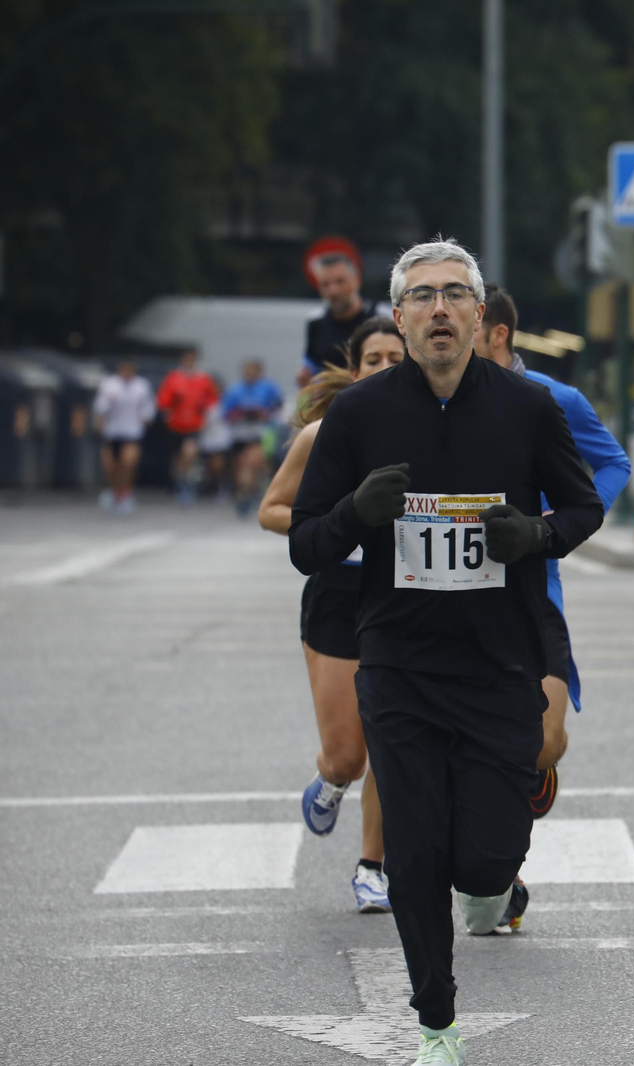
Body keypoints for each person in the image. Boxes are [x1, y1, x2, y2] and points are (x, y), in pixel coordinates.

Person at [289, 238, 603, 1066]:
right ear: (398, 317)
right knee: (416, 851)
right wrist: (356, 512)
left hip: (501, 663)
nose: (439, 309)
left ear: (479, 313)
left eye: (454, 294)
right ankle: (436, 1023)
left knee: (485, 863)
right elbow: (305, 544)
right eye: (422, 296)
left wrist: (534, 534)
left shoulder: (528, 407)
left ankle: (492, 884)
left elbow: (584, 509)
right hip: (398, 664)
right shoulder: (358, 416)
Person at [259, 317, 405, 913]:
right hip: (338, 594)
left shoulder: (434, 431)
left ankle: (373, 866)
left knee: (393, 742)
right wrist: (339, 526)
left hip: (404, 594)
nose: (386, 368)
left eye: (397, 357)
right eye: (374, 359)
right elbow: (273, 509)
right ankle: (330, 779)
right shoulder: (322, 436)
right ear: (354, 369)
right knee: (349, 755)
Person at [473, 282, 631, 816]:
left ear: (498, 333)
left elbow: (614, 463)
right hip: (456, 585)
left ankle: (535, 767)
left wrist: (560, 523)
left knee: (542, 742)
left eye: (469, 325)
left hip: (533, 575)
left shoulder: (554, 398)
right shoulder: (436, 399)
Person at [302, 252, 380, 386]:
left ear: (356, 280)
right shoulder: (315, 322)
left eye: (340, 281)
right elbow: (309, 365)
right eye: (325, 284)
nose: (334, 291)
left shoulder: (380, 317)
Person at [220, 360, 285, 517]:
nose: (249, 373)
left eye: (253, 370)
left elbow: (278, 407)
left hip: (259, 435)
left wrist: (264, 413)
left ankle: (247, 495)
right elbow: (225, 413)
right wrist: (239, 413)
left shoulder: (269, 388)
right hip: (239, 435)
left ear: (259, 372)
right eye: (247, 370)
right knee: (239, 468)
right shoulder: (235, 389)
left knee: (250, 464)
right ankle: (245, 492)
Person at [156, 348, 220, 505]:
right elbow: (163, 401)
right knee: (178, 458)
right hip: (176, 425)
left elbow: (213, 401)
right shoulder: (173, 378)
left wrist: (207, 415)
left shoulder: (204, 379)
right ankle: (180, 482)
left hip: (194, 425)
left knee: (189, 453)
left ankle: (186, 484)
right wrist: (169, 407)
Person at [92, 359, 155, 515]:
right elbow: (100, 407)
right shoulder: (109, 385)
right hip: (112, 432)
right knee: (111, 467)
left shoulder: (142, 386)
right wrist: (100, 419)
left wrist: (146, 419)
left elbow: (148, 408)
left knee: (128, 462)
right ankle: (113, 491)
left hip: (132, 432)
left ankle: (125, 492)